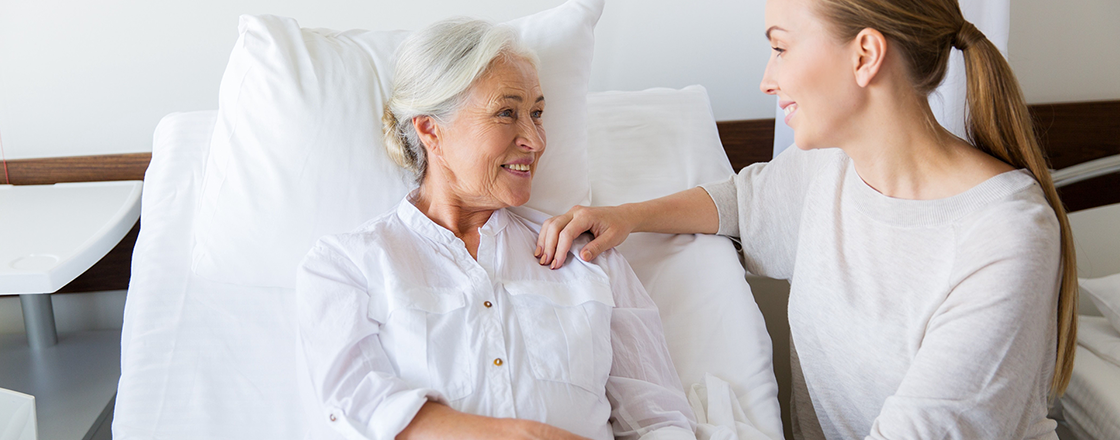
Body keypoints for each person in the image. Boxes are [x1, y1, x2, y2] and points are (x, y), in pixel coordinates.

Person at [536, 0, 1077, 438]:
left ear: (865, 54)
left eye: (780, 47)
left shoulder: (1004, 236)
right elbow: (741, 205)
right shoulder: (829, 166)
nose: (768, 80)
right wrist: (625, 216)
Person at [295, 18, 697, 440]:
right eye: (507, 112)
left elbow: (661, 420)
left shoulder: (589, 257)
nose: (536, 141)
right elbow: (353, 404)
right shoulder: (346, 266)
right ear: (431, 129)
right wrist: (525, 435)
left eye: (537, 113)